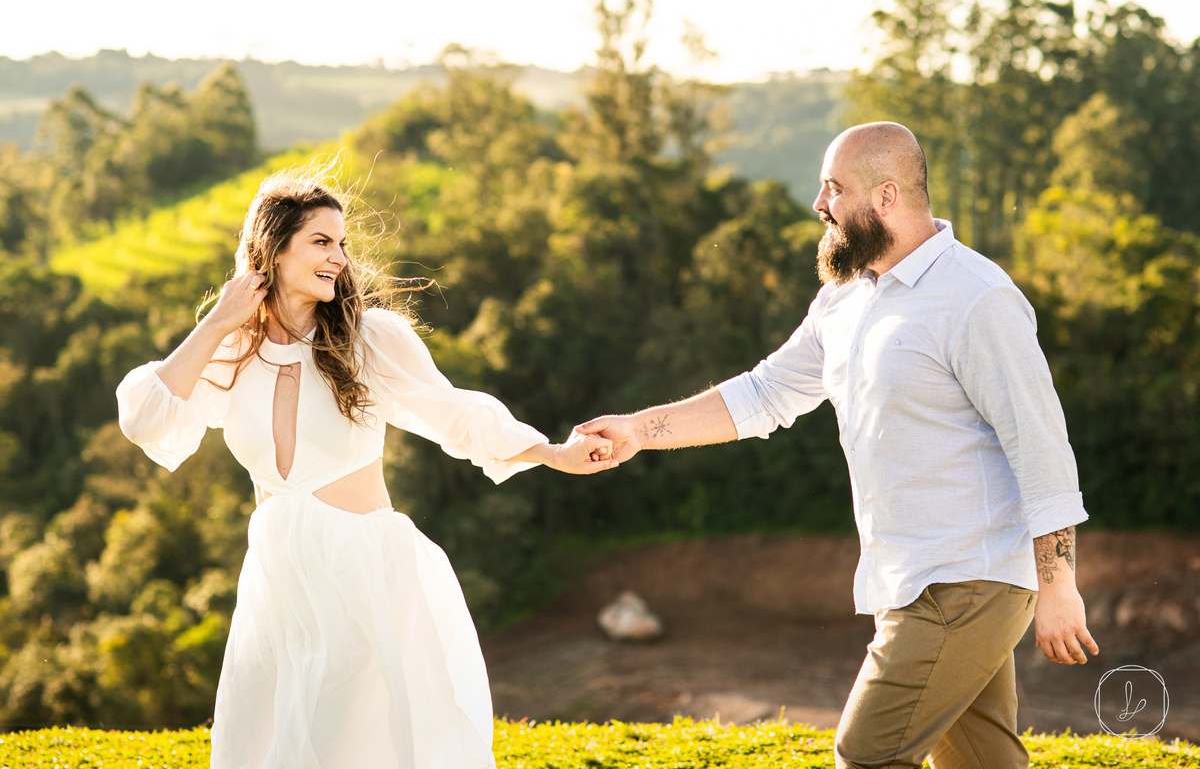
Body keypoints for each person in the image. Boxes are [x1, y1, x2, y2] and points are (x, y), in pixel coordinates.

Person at [576, 122, 1099, 768]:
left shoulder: (977, 298)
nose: (819, 205)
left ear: (885, 197)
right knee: (981, 762)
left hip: (967, 579)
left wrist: (1059, 585)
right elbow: (765, 394)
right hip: (907, 579)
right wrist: (638, 430)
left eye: (833, 189)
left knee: (867, 753)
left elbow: (1040, 445)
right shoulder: (845, 298)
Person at [116, 166, 617, 769]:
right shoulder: (229, 348)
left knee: (357, 746)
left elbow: (456, 413)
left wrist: (552, 453)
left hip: (365, 575)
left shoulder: (369, 337)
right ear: (272, 250)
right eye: (321, 242)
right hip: (280, 586)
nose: (339, 258)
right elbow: (146, 419)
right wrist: (219, 320)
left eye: (343, 244)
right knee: (267, 747)